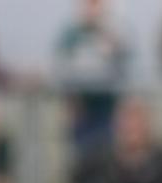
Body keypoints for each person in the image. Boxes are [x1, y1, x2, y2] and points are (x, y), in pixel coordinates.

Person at [55, 0, 129, 163]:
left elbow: (125, 65)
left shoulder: (113, 32)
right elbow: (62, 68)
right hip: (82, 111)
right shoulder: (72, 34)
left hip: (107, 110)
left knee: (108, 159)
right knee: (82, 160)